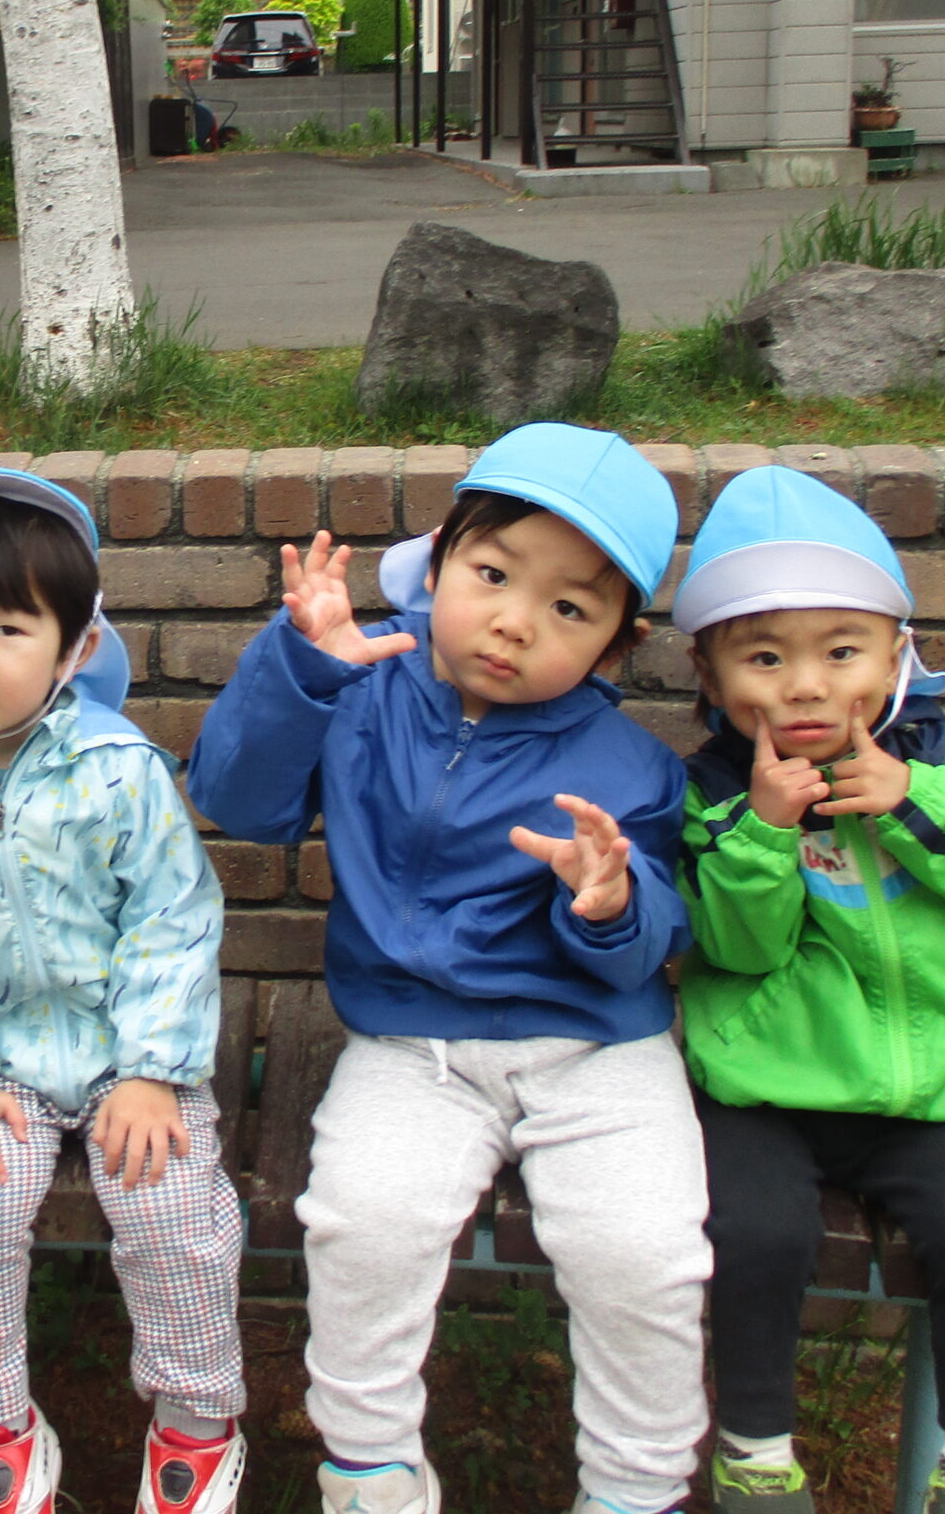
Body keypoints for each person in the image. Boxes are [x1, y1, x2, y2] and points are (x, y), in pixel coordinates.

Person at [190, 422, 705, 1514]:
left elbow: (658, 942)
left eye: (570, 608)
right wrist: (302, 672)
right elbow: (238, 800)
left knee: (642, 1249)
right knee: (362, 1220)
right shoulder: (363, 688)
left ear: (617, 642)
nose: (515, 622)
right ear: (437, 560)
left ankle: (637, 1488)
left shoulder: (633, 770)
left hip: (594, 1052)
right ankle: (369, 1468)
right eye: (491, 574)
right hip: (409, 1044)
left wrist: (609, 901)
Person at [0, 468, 246, 1514]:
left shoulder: (118, 770)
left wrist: (156, 1072)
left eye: (8, 628)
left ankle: (197, 1422)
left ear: (76, 649)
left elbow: (173, 917)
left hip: (127, 1055)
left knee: (169, 1211)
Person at [670, 467, 945, 1514]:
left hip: (909, 1094)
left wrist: (911, 802)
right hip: (761, 1089)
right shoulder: (711, 790)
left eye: (840, 651)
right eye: (762, 657)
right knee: (754, 1240)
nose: (802, 685)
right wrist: (761, 831)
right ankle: (752, 1451)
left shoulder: (939, 762)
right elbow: (737, 952)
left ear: (898, 656)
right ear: (708, 679)